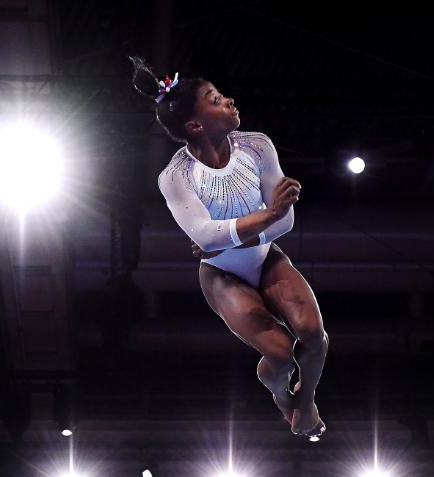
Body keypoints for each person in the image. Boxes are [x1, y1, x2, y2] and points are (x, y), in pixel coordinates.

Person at [130, 56, 328, 437]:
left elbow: (285, 220)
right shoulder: (175, 176)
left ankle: (304, 403)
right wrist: (265, 217)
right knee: (282, 355)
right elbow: (206, 236)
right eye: (216, 99)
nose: (229, 101)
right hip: (223, 277)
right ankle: (281, 396)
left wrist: (250, 228)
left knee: (314, 336)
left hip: (266, 259)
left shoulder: (257, 146)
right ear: (195, 124)